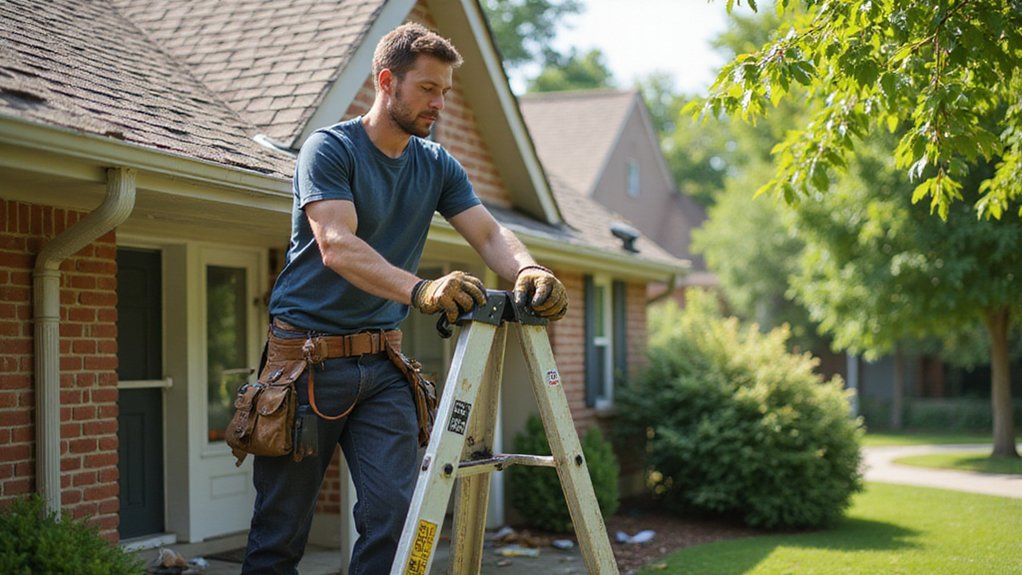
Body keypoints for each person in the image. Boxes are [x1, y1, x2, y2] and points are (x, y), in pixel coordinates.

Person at [241, 22, 568, 575]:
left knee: (396, 517)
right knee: (279, 534)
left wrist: (530, 268)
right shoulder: (330, 148)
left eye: (444, 91)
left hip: (383, 365)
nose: (439, 103)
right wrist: (421, 289)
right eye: (428, 89)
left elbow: (489, 235)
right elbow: (337, 245)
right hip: (305, 363)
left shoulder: (435, 164)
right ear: (387, 82)